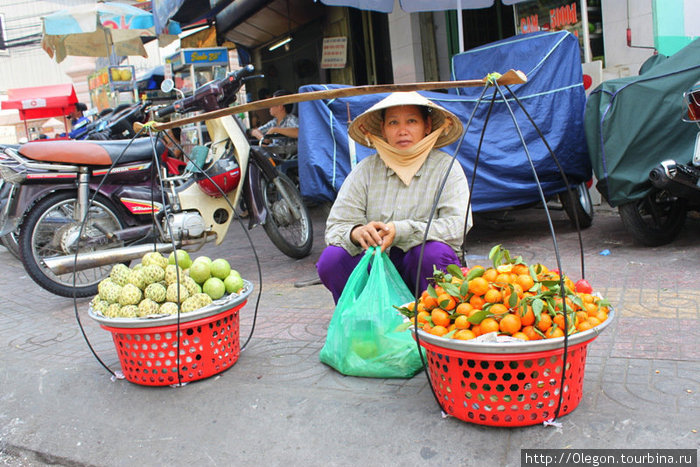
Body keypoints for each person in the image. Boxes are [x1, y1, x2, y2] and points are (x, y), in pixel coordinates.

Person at [316, 92, 472, 304]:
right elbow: (336, 226)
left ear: (427, 126)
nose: (402, 131)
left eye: (411, 121)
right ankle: (365, 320)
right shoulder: (366, 170)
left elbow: (457, 227)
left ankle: (432, 317)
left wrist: (401, 230)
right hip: (376, 269)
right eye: (393, 123)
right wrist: (357, 232)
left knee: (432, 254)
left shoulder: (447, 168)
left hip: (420, 270)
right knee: (331, 259)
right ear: (383, 130)